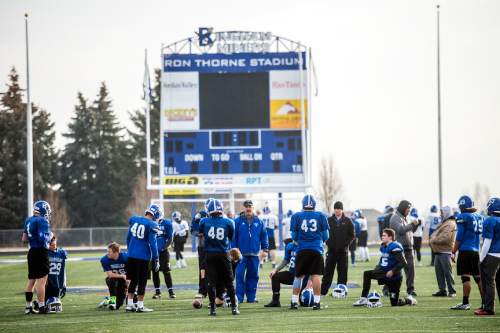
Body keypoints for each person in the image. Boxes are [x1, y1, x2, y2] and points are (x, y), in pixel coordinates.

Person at [352, 228, 415, 307]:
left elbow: (403, 263)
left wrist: (392, 271)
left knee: (394, 303)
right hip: (384, 274)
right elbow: (383, 260)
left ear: (390, 237)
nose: (382, 237)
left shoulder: (395, 246)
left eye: (384, 235)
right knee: (367, 274)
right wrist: (377, 268)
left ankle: (409, 300)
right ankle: (363, 298)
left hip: (394, 277)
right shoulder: (384, 246)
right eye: (382, 235)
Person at [199, 199, 239, 316]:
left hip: (210, 254)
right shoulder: (229, 222)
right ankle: (234, 308)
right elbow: (230, 237)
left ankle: (213, 309)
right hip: (223, 254)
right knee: (229, 282)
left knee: (211, 283)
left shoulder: (204, 221)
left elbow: (201, 234)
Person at [289, 194, 329, 310]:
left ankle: (294, 302)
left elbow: (294, 236)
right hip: (316, 249)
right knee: (315, 276)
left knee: (298, 276)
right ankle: (316, 302)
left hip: (302, 249)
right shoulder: (321, 215)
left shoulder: (296, 216)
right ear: (314, 204)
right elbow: (326, 236)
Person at [125, 203, 161, 312]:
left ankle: (130, 304)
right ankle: (140, 306)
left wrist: (130, 250)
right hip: (143, 256)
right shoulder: (152, 224)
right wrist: (156, 258)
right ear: (156, 215)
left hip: (131, 254)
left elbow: (128, 237)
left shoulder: (134, 219)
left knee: (133, 280)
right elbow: (153, 243)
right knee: (142, 281)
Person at [451, 195, 484, 310]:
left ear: (461, 205)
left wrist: (453, 251)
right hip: (477, 250)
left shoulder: (462, 216)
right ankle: (485, 303)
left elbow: (459, 237)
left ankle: (465, 303)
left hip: (466, 250)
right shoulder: (479, 216)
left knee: (466, 277)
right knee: (479, 278)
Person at [232, 200, 268, 303]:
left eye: (250, 206)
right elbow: (233, 237)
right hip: (240, 255)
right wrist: (234, 249)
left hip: (254, 254)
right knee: (239, 276)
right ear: (243, 208)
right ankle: (239, 298)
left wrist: (265, 249)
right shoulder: (237, 221)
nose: (248, 208)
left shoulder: (259, 221)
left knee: (253, 276)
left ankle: (251, 297)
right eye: (246, 206)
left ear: (253, 208)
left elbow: (264, 235)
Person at [22, 200, 53, 315]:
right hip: (40, 252)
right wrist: (50, 236)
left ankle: (28, 307)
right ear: (44, 210)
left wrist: (33, 238)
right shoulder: (42, 220)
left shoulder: (29, 220)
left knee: (31, 281)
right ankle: (42, 307)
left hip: (31, 252)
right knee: (41, 281)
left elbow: (24, 239)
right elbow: (42, 238)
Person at [320, 201, 354, 296]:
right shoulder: (329, 220)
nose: (337, 210)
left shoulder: (348, 221)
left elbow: (352, 235)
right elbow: (324, 233)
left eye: (338, 209)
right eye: (335, 209)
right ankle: (323, 292)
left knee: (342, 272)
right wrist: (328, 243)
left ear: (342, 210)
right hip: (331, 251)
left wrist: (346, 244)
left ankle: (341, 291)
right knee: (328, 272)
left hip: (343, 252)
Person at [265, 238, 309, 307]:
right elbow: (285, 260)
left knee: (305, 303)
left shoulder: (306, 246)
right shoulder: (290, 246)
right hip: (292, 274)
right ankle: (275, 301)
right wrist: (276, 270)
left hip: (303, 277)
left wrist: (310, 281)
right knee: (275, 276)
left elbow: (311, 264)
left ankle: (311, 300)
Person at [475, 197, 500, 316]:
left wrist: (481, 258)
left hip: (492, 255)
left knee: (488, 282)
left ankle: (488, 308)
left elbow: (487, 242)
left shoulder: (490, 221)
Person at [390, 200, 419, 299]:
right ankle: (386, 288)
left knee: (411, 271)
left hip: (409, 248)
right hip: (399, 249)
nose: (409, 211)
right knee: (395, 270)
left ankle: (410, 290)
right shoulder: (395, 218)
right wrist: (411, 225)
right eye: (407, 209)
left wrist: (415, 225)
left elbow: (410, 231)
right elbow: (400, 230)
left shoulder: (405, 218)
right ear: (403, 208)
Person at [430, 206, 457, 297]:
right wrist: (433, 238)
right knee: (439, 273)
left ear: (446, 212)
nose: (440, 214)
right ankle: (442, 290)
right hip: (439, 251)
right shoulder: (445, 223)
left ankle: (452, 291)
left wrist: (433, 240)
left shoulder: (450, 224)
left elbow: (445, 238)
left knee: (447, 273)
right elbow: (435, 233)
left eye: (442, 212)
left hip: (445, 251)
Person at [151, 217, 176, 299]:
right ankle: (157, 292)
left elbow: (170, 238)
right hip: (154, 253)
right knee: (155, 271)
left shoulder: (166, 223)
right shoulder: (149, 223)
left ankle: (171, 291)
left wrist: (163, 248)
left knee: (166, 270)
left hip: (163, 252)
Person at [42, 236, 67, 313]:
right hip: (47, 282)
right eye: (51, 245)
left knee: (55, 304)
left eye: (55, 245)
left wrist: (64, 284)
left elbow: (63, 269)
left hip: (57, 282)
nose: (53, 247)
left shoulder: (61, 253)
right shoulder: (45, 253)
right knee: (45, 304)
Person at [100, 242, 128, 310]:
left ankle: (107, 300)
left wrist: (128, 280)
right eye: (107, 251)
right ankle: (112, 302)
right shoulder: (104, 259)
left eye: (110, 252)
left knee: (119, 304)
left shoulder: (125, 257)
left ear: (116, 252)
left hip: (123, 281)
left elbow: (132, 271)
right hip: (113, 279)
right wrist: (122, 276)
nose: (108, 253)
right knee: (112, 280)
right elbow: (110, 275)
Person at [191, 209, 209, 297]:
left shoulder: (218, 216)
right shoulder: (200, 214)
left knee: (214, 269)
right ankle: (202, 290)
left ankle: (217, 290)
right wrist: (201, 233)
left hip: (215, 247)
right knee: (202, 268)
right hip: (203, 247)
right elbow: (193, 231)